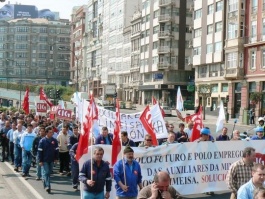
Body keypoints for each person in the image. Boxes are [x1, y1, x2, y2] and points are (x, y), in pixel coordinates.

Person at [38, 126, 59, 193]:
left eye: (52, 132)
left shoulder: (54, 140)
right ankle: (48, 186)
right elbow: (40, 151)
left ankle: (45, 181)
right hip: (45, 160)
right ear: (46, 133)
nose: (51, 133)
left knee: (49, 172)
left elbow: (56, 150)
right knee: (46, 172)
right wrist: (40, 160)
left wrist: (56, 158)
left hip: (52, 160)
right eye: (50, 132)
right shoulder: (42, 141)